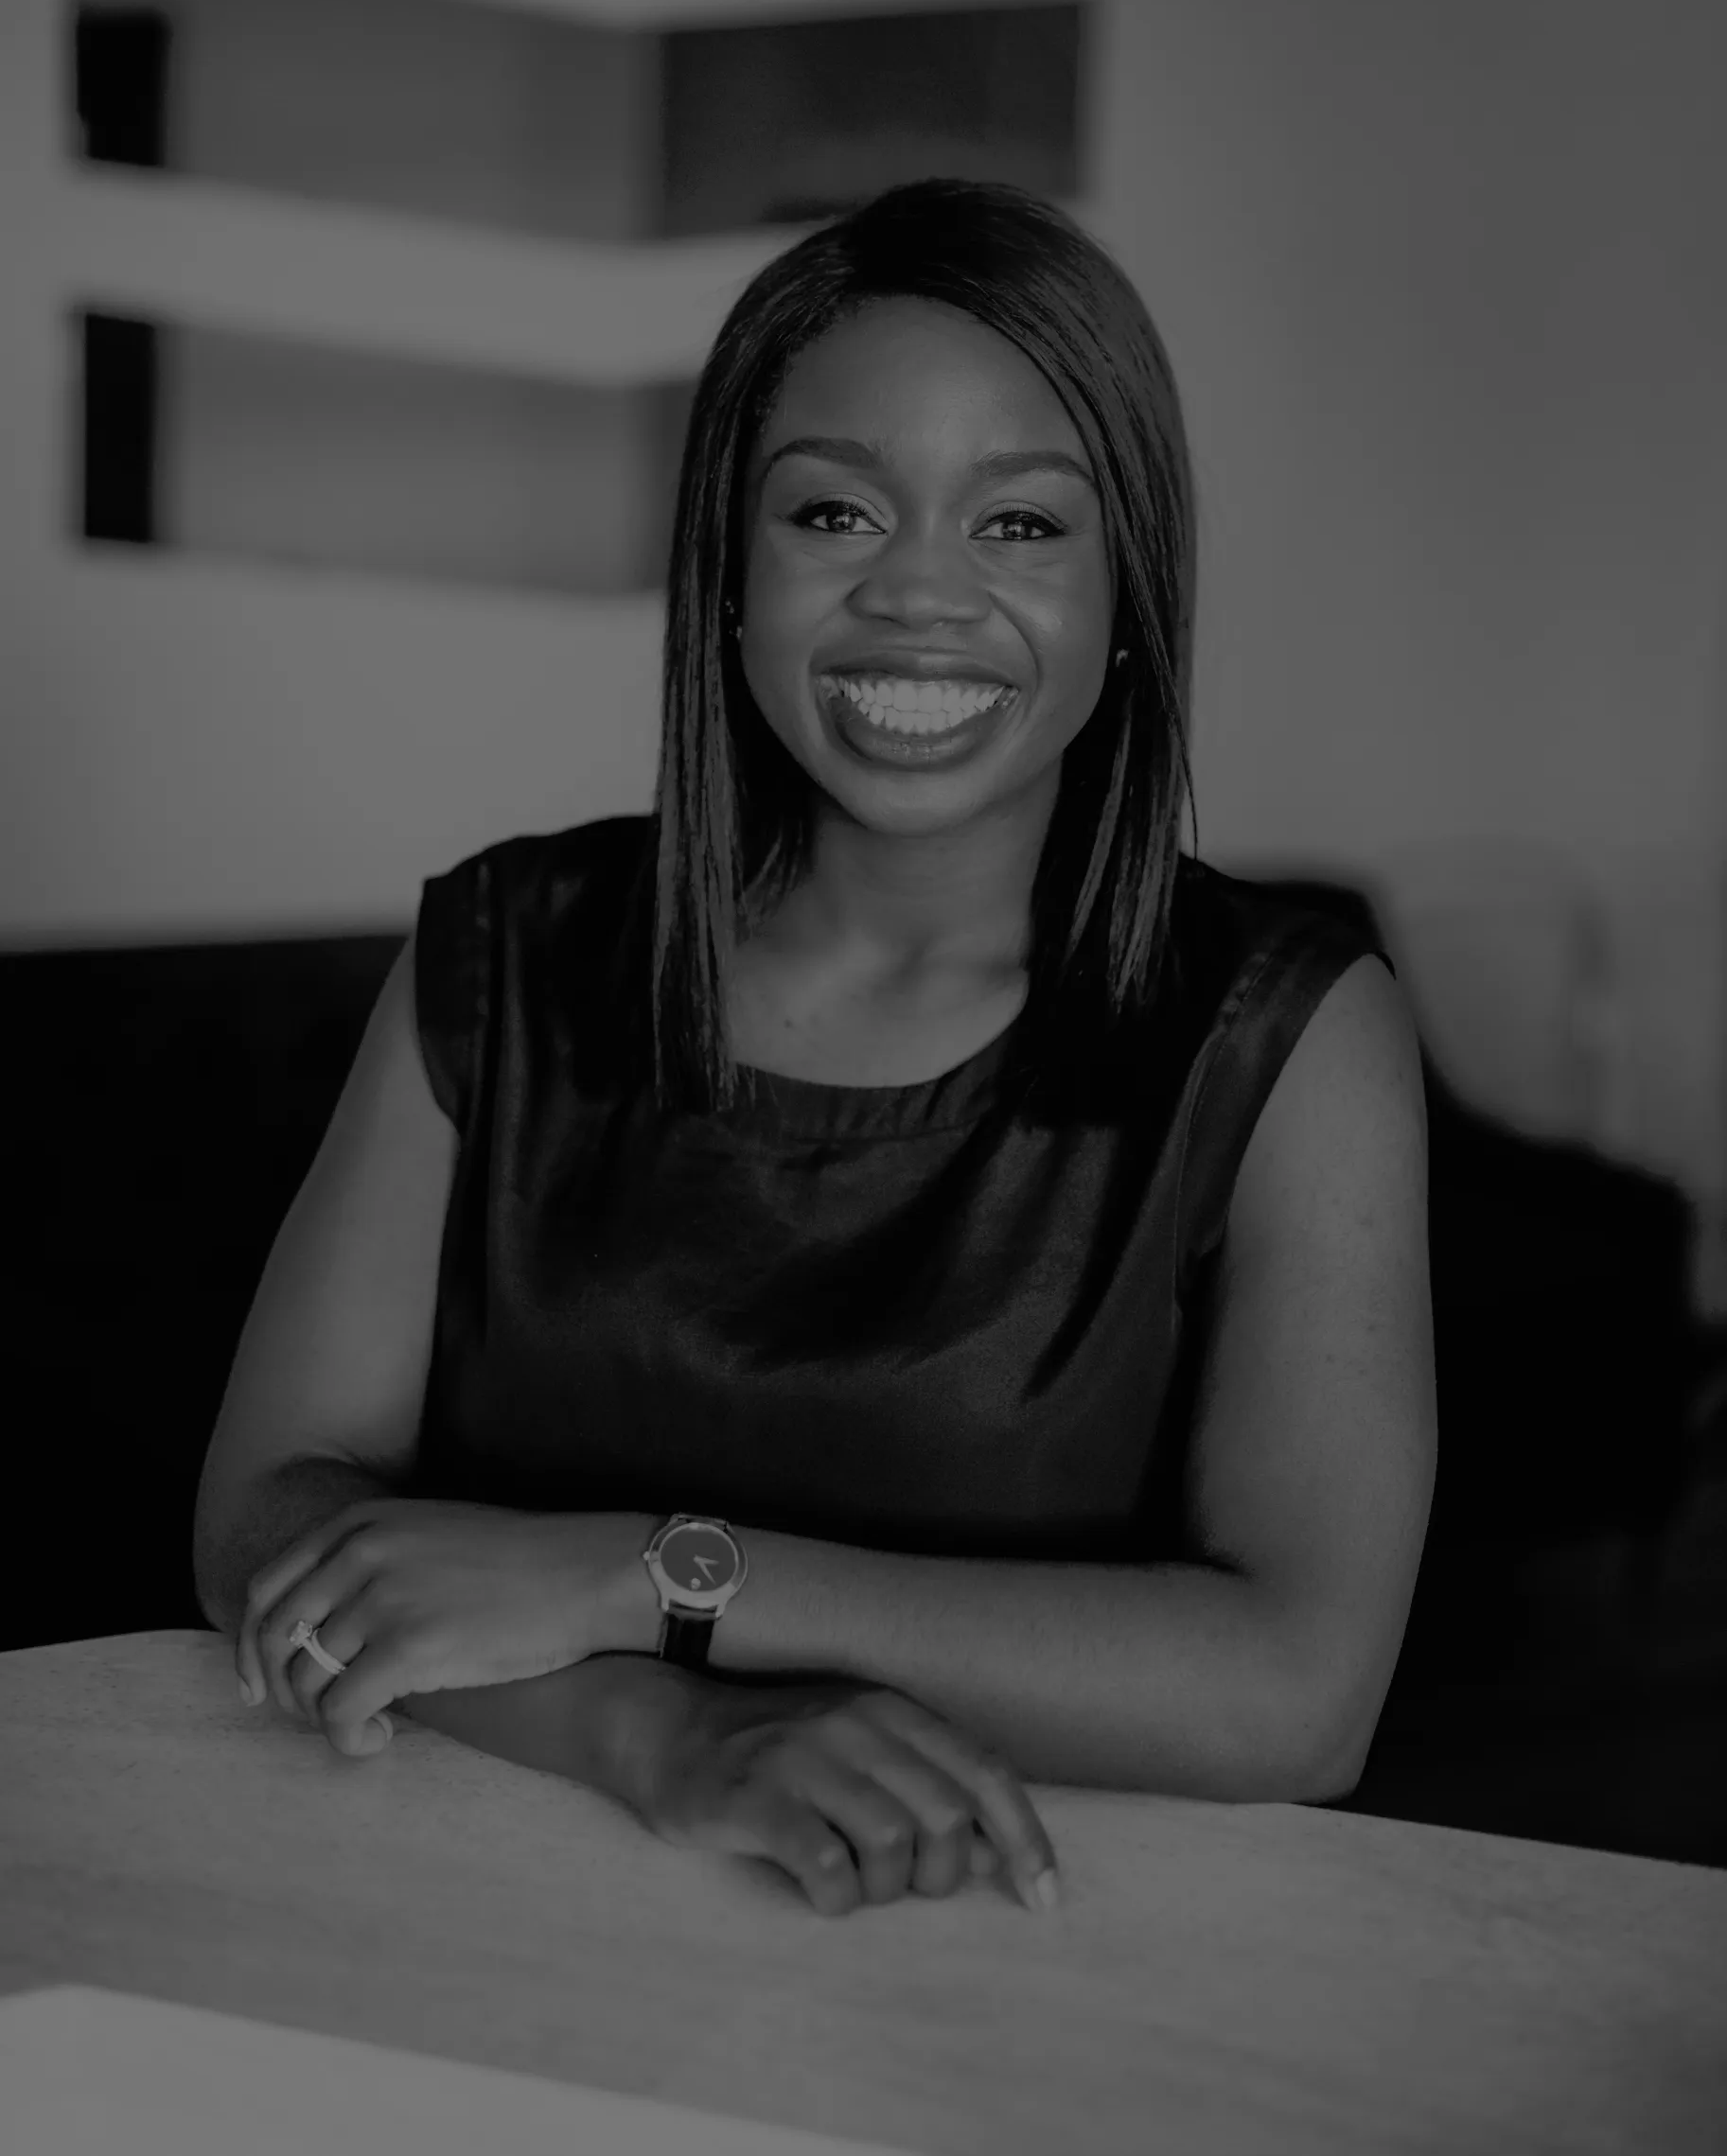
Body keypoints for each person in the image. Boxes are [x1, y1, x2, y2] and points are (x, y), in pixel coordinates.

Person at [193, 179, 1435, 1920]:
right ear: (731, 569)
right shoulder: (503, 953)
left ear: (1130, 589)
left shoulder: (1289, 1030)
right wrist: (651, 1733)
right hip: (457, 1908)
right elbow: (261, 1513)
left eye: (1021, 527)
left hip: (1018, 1959)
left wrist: (656, 1577)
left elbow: (1303, 1693)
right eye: (837, 509)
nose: (919, 597)